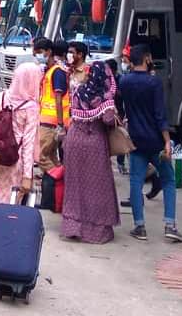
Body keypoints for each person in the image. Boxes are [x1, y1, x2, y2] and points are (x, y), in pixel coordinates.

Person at [118, 45, 182, 242]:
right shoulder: (154, 83)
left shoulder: (124, 81)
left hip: (135, 139)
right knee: (168, 180)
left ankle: (140, 227)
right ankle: (170, 225)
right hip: (156, 141)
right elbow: (160, 115)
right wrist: (167, 141)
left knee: (136, 182)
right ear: (146, 58)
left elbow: (119, 105)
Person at [60, 61, 120, 243]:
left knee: (75, 185)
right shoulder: (104, 97)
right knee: (97, 187)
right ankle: (95, 231)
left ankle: (72, 227)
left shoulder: (79, 92)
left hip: (74, 140)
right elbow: (109, 120)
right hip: (94, 143)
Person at [0, 62, 41, 231]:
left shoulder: (2, 97)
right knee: (10, 203)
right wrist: (28, 176)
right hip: (16, 160)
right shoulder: (31, 107)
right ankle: (3, 241)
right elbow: (28, 144)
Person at [37, 40, 70, 173]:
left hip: (51, 122)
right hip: (49, 120)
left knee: (41, 157)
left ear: (49, 52)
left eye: (40, 52)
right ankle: (60, 185)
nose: (38, 55)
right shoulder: (51, 70)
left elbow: (58, 99)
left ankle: (58, 181)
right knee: (52, 157)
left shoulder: (57, 72)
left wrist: (60, 125)